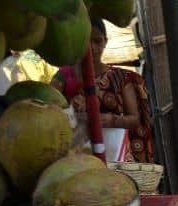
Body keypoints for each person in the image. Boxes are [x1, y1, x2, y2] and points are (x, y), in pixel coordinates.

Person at [52, 18, 154, 163]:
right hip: (76, 154)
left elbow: (134, 119)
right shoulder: (64, 76)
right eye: (86, 41)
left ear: (105, 41)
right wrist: (77, 118)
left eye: (97, 41)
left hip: (113, 154)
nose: (92, 47)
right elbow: (50, 109)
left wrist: (112, 120)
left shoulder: (120, 78)